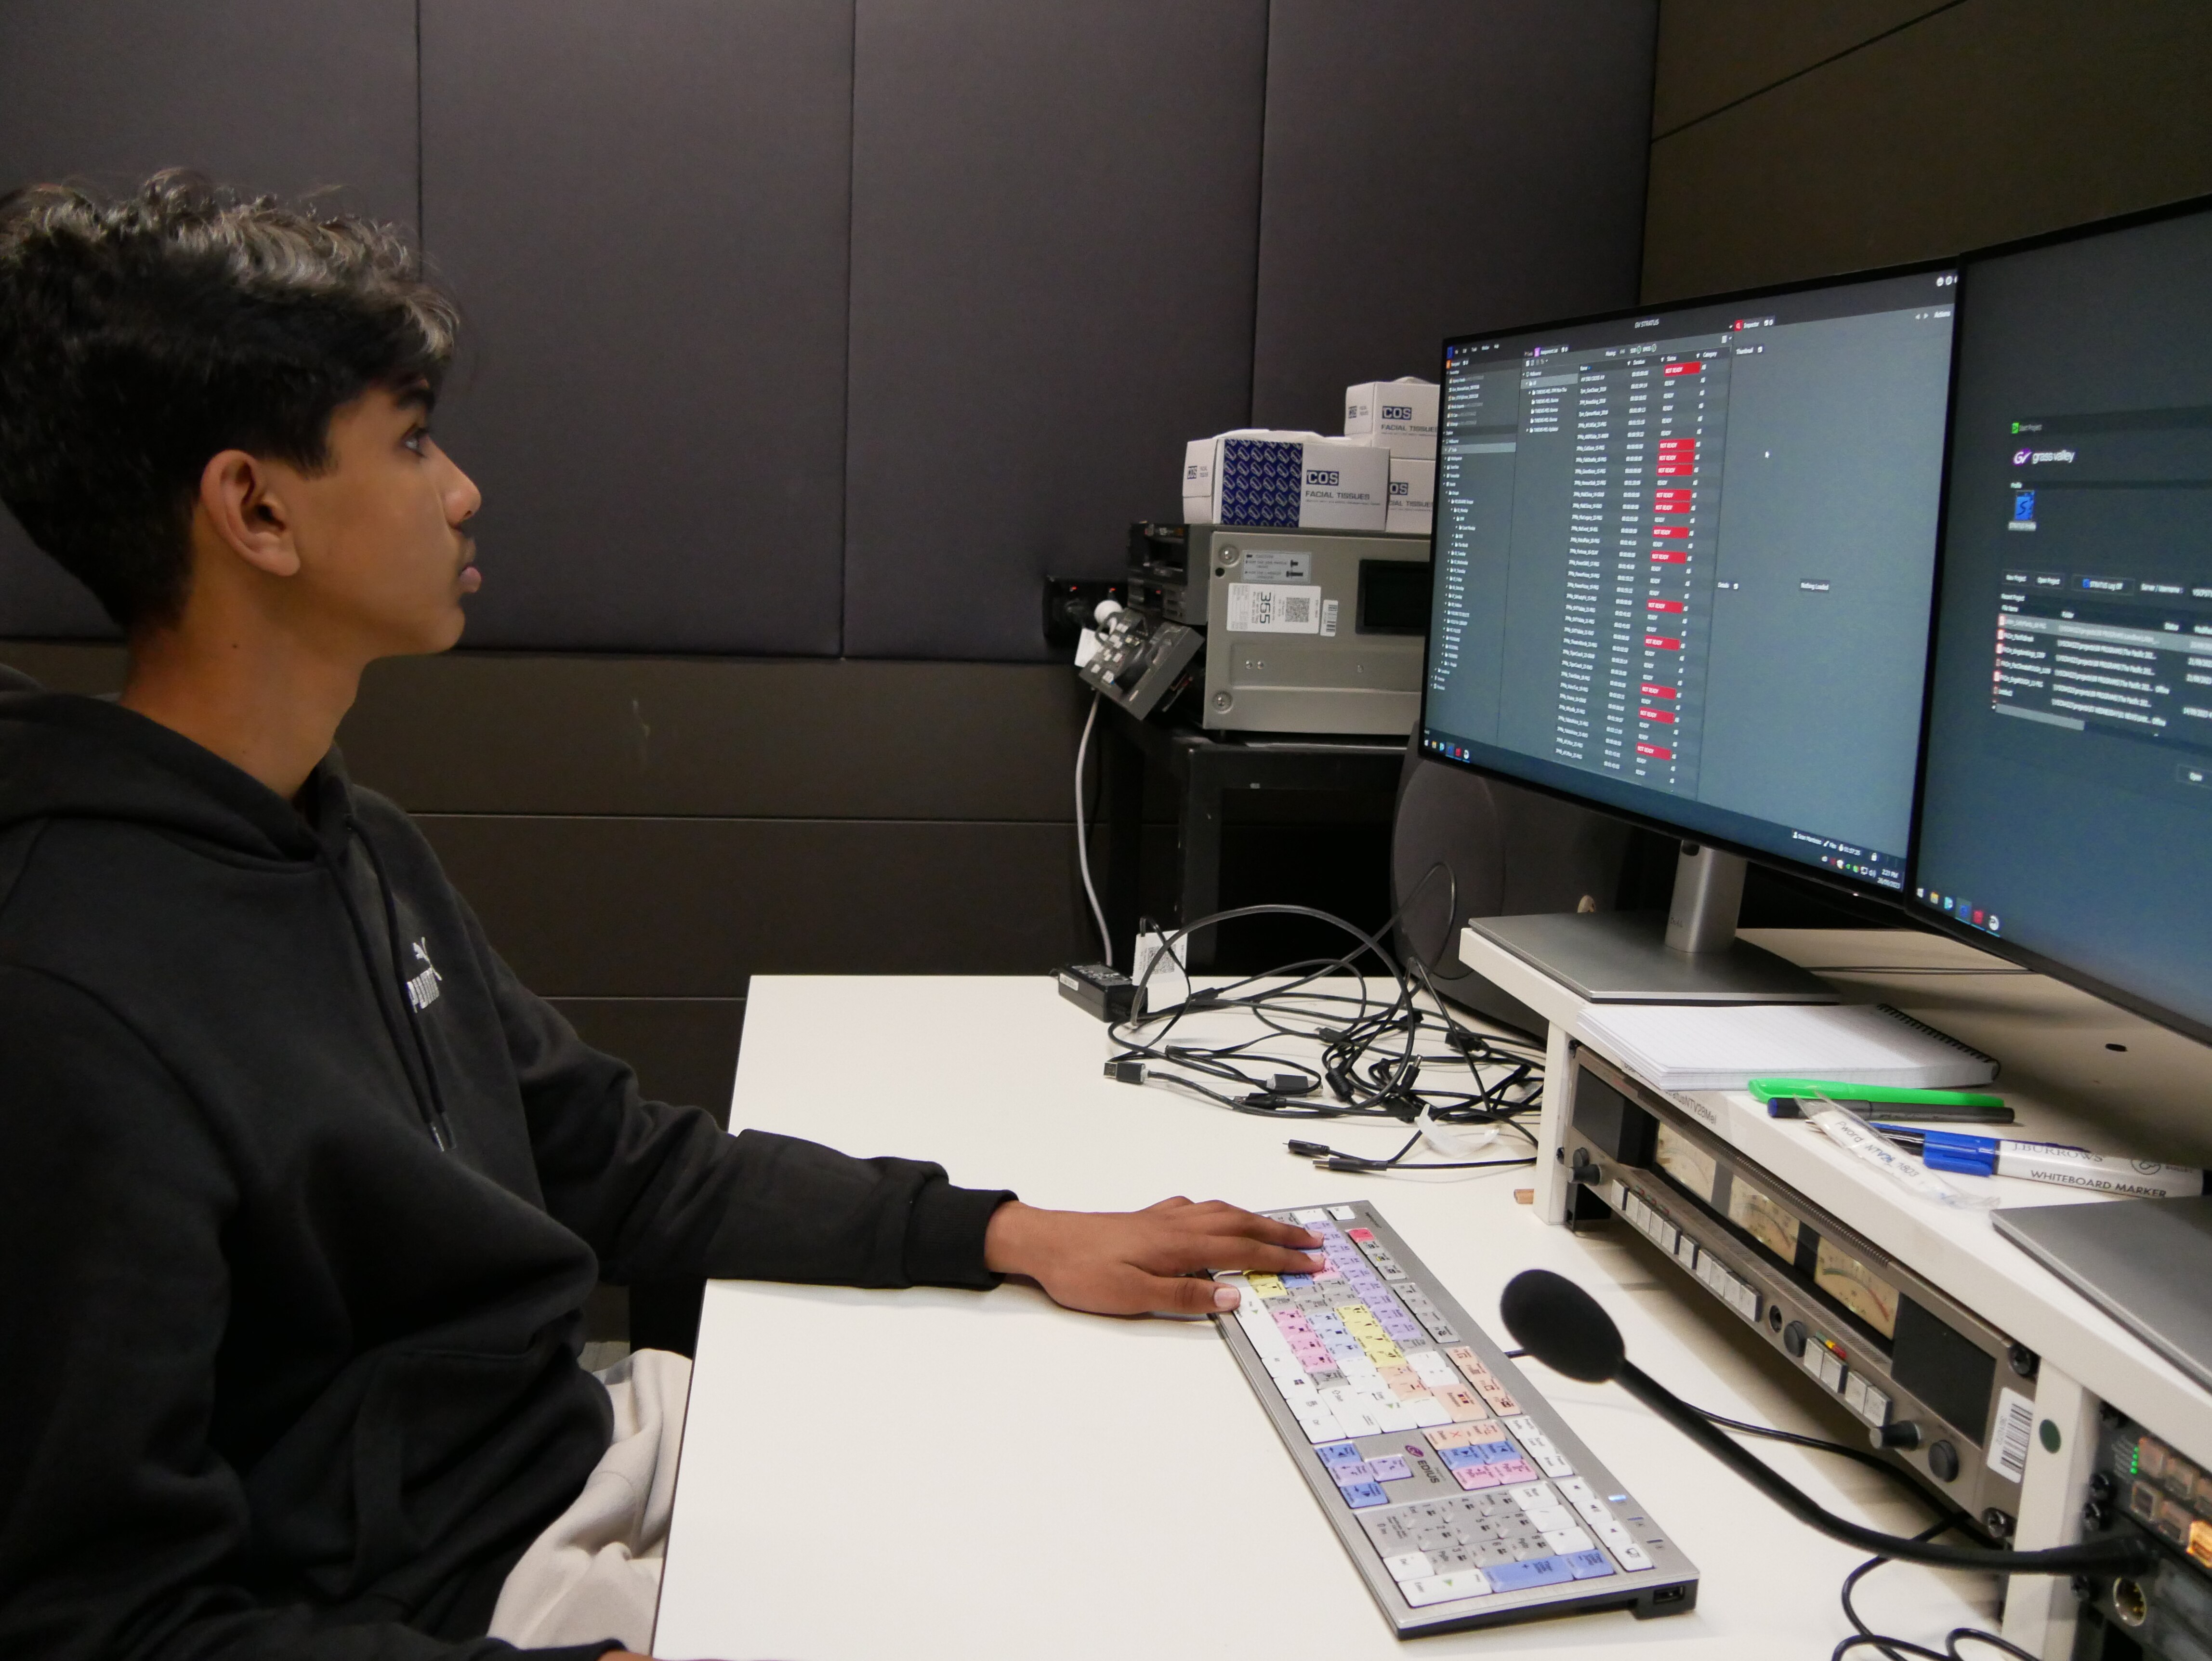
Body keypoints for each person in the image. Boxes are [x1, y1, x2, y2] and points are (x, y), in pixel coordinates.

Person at [0, 175, 1323, 1660]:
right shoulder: (73, 993)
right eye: (415, 439)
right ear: (255, 507)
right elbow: (100, 1624)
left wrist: (1003, 1231)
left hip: (580, 1454)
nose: (463, 490)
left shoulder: (349, 839)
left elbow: (615, 1163)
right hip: (470, 1606)